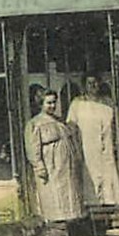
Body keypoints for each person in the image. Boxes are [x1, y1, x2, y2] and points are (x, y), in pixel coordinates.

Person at [25, 89, 84, 225]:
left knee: (68, 196)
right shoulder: (35, 123)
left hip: (65, 167)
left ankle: (70, 224)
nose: (52, 106)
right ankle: (55, 225)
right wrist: (39, 166)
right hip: (51, 167)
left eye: (54, 102)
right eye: (48, 103)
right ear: (41, 104)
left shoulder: (60, 121)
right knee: (54, 196)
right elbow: (33, 148)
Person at [68, 75, 119, 209]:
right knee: (91, 177)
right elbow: (71, 127)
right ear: (84, 85)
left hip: (106, 146)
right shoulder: (77, 103)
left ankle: (109, 205)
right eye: (89, 83)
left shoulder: (107, 102)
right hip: (87, 146)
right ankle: (92, 206)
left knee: (108, 176)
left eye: (95, 82)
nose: (93, 85)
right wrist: (76, 147)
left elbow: (117, 125)